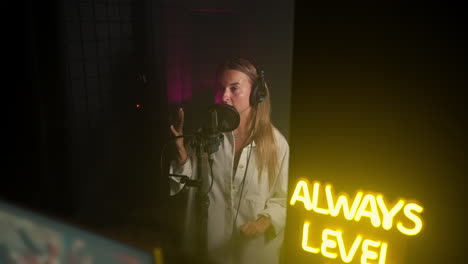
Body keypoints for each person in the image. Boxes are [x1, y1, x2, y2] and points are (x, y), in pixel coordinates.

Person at [169, 57, 289, 264]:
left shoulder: (277, 144)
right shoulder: (206, 135)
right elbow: (184, 183)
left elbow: (285, 199)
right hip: (209, 253)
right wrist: (181, 151)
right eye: (220, 88)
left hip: (255, 255)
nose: (224, 96)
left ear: (256, 93)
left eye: (234, 88)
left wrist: (264, 222)